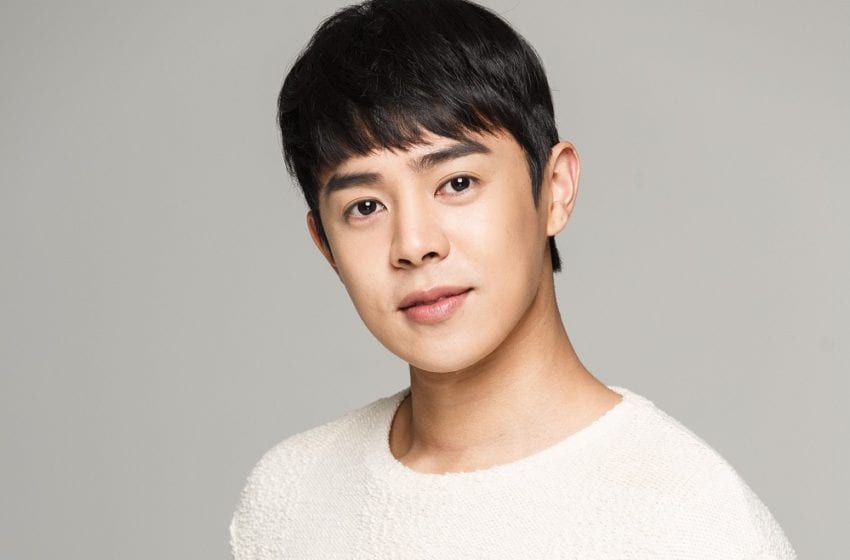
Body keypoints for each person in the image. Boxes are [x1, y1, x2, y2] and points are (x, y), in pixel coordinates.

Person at [230, 0, 797, 557]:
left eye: (457, 183)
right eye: (365, 207)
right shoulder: (291, 496)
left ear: (555, 189)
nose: (414, 245)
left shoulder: (690, 524)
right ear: (325, 245)